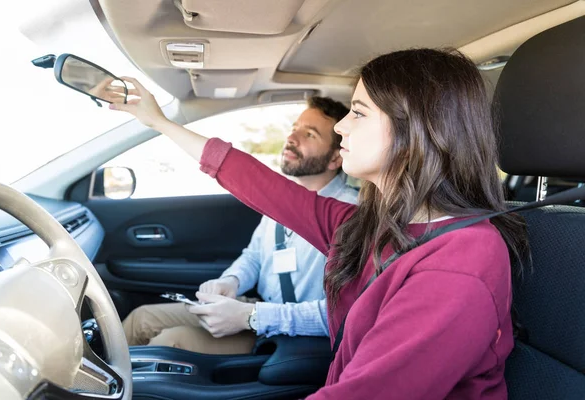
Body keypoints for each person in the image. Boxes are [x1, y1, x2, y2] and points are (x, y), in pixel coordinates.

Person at [111, 48, 529, 399]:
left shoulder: (458, 264)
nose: (343, 126)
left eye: (359, 113)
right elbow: (259, 184)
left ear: (417, 131)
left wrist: (254, 317)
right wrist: (159, 122)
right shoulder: (368, 226)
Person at [121, 96, 358, 355]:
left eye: (310, 134)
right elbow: (255, 256)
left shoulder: (350, 216)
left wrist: (251, 315)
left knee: (170, 342)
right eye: (294, 129)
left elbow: (343, 315)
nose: (292, 138)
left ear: (336, 158)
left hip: (293, 336)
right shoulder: (283, 199)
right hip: (257, 308)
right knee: (141, 319)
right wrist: (231, 282)